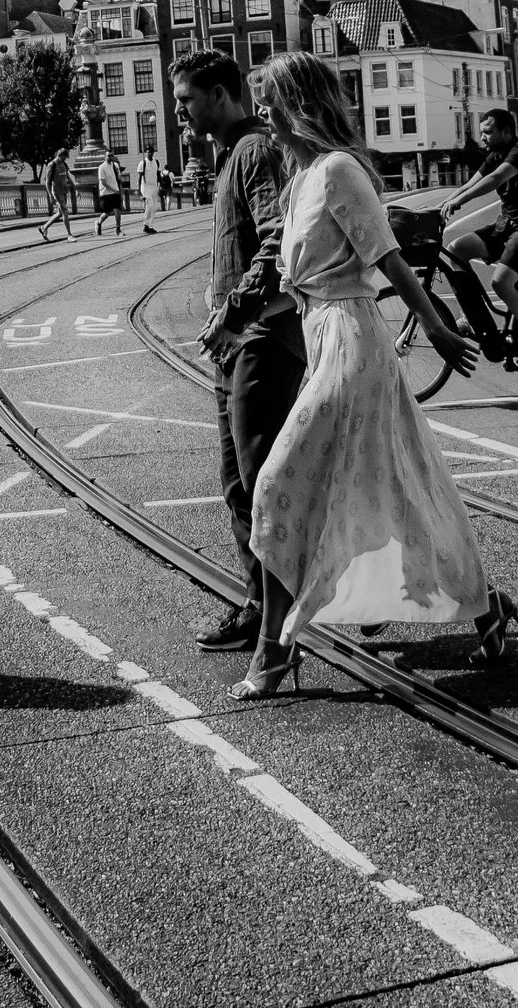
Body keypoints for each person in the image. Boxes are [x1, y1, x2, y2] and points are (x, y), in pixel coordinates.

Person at [238, 52, 516, 701]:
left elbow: (388, 260)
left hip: (353, 343)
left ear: (299, 104)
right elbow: (299, 284)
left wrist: (438, 327)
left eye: (270, 101)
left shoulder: (339, 170)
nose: (263, 114)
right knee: (398, 491)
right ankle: (486, 605)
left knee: (278, 485)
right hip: (322, 338)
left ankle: (274, 648)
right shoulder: (300, 180)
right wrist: (234, 324)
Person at [180, 51, 307, 656]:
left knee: (260, 480)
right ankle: (263, 604)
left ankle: (278, 616)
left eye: (187, 99)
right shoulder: (230, 155)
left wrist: (233, 310)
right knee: (238, 483)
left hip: (260, 336)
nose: (180, 111)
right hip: (235, 341)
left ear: (220, 94)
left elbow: (277, 240)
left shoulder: (254, 151)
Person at [438, 108, 518, 366]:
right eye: (482, 132)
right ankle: (471, 317)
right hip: (508, 225)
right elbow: (469, 184)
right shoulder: (494, 155)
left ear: (506, 132)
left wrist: (460, 202)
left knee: (501, 282)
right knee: (457, 249)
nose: (482, 137)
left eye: (488, 132)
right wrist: (440, 207)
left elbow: (495, 179)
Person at [34, 147, 77, 242]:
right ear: (59, 155)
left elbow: (68, 177)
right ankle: (69, 235)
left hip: (64, 191)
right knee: (65, 211)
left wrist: (75, 188)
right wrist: (50, 195)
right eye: (64, 157)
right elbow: (47, 182)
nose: (65, 159)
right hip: (56, 192)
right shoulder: (51, 165)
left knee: (60, 213)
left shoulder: (64, 164)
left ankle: (43, 227)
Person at [95, 150, 127, 236]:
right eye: (108, 156)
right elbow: (103, 182)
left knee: (117, 210)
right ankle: (98, 222)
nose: (110, 157)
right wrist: (113, 189)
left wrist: (119, 189)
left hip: (115, 192)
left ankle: (118, 229)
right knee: (107, 212)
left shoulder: (115, 165)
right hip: (106, 193)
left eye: (111, 155)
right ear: (105, 157)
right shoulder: (102, 167)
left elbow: (118, 179)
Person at [135, 149, 161, 233]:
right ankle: (145, 224)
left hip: (154, 186)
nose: (149, 153)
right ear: (146, 153)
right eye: (148, 152)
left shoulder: (156, 162)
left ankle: (150, 225)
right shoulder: (143, 163)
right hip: (146, 186)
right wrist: (139, 190)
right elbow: (139, 177)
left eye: (151, 152)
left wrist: (159, 186)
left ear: (153, 153)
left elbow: (158, 174)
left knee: (154, 207)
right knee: (150, 204)